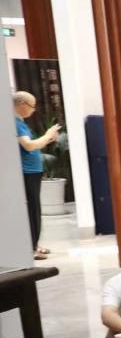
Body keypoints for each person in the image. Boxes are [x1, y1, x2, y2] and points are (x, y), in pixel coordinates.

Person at [13, 91, 60, 260]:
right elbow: (29, 146)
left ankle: (34, 244)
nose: (33, 110)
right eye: (32, 106)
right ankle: (31, 247)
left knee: (35, 209)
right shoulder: (15, 123)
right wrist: (47, 135)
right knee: (32, 210)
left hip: (32, 171)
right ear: (22, 104)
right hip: (27, 172)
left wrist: (48, 138)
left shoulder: (20, 123)